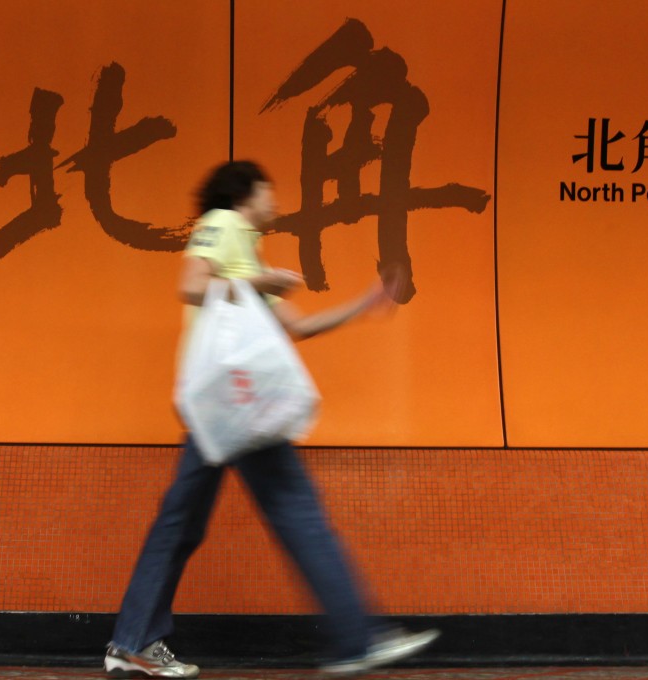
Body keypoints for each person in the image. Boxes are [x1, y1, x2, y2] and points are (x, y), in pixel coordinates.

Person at [103, 161, 438, 678]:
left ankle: (133, 641)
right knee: (296, 512)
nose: (276, 202)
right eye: (269, 190)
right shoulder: (223, 223)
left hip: (221, 405)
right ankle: (357, 638)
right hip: (236, 401)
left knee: (181, 523)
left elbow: (296, 328)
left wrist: (362, 305)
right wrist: (267, 278)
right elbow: (191, 284)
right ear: (245, 194)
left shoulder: (243, 248)